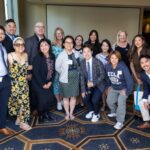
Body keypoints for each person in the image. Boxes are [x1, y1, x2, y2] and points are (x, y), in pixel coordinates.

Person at [8, 37, 32, 131]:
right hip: (15, 84)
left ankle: (21, 121)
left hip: (24, 83)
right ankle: (22, 121)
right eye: (18, 44)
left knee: (24, 102)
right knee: (18, 103)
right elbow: (17, 70)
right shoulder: (10, 55)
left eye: (22, 44)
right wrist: (28, 68)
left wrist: (27, 72)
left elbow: (24, 70)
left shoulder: (25, 55)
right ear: (14, 46)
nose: (21, 46)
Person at [105, 51, 133, 129]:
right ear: (109, 58)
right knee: (109, 101)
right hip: (114, 87)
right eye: (112, 58)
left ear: (118, 59)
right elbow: (107, 78)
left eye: (116, 58)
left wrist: (126, 90)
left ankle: (120, 121)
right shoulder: (107, 67)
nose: (114, 60)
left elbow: (129, 80)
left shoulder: (123, 67)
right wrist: (108, 86)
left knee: (121, 102)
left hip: (124, 88)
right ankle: (114, 112)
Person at [55, 35, 80, 120]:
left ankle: (71, 113)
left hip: (75, 78)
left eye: (71, 42)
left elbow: (80, 65)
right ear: (64, 44)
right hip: (65, 78)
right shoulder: (61, 55)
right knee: (66, 97)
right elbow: (57, 67)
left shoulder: (77, 54)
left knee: (73, 97)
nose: (69, 44)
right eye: (67, 42)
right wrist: (64, 73)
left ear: (73, 44)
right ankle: (67, 113)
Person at [80, 44, 107, 122]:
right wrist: (82, 90)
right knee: (85, 98)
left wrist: (94, 83)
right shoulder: (82, 63)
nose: (86, 53)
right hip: (88, 85)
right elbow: (81, 77)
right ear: (82, 53)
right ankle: (91, 110)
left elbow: (103, 75)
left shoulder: (97, 62)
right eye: (84, 52)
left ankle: (96, 113)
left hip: (98, 85)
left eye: (88, 51)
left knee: (95, 100)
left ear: (91, 52)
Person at [25, 22, 47, 115]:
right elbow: (26, 56)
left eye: (42, 27)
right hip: (33, 71)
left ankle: (43, 108)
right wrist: (28, 72)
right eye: (38, 27)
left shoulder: (47, 40)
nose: (40, 28)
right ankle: (34, 108)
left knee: (43, 89)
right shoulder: (29, 40)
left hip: (44, 70)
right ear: (35, 29)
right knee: (34, 90)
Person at [32, 39, 55, 123]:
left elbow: (53, 70)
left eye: (45, 45)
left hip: (48, 82)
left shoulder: (52, 56)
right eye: (41, 45)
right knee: (43, 100)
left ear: (49, 46)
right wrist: (43, 84)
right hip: (39, 83)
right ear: (39, 48)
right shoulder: (37, 57)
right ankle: (41, 114)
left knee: (49, 99)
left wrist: (50, 82)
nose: (44, 47)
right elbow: (36, 73)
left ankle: (47, 113)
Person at [0, 25, 13, 135]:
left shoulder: (3, 48)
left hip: (4, 80)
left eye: (2, 33)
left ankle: (2, 126)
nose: (1, 35)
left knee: (3, 104)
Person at [96, 39, 112, 111]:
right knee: (102, 91)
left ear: (109, 47)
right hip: (101, 77)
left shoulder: (111, 56)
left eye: (106, 46)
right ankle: (104, 104)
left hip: (109, 76)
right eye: (103, 45)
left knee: (108, 91)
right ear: (101, 47)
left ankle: (110, 105)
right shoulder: (97, 56)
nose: (105, 47)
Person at [52, 27, 64, 111]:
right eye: (57, 33)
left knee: (63, 85)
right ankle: (58, 101)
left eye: (60, 33)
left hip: (65, 69)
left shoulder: (66, 44)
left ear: (62, 34)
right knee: (56, 85)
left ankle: (62, 99)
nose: (59, 35)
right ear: (55, 35)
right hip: (56, 68)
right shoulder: (52, 45)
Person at [137, 55, 150, 129]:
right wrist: (145, 100)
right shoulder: (143, 74)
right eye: (142, 63)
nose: (144, 64)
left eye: (146, 61)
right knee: (142, 102)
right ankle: (147, 122)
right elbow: (146, 88)